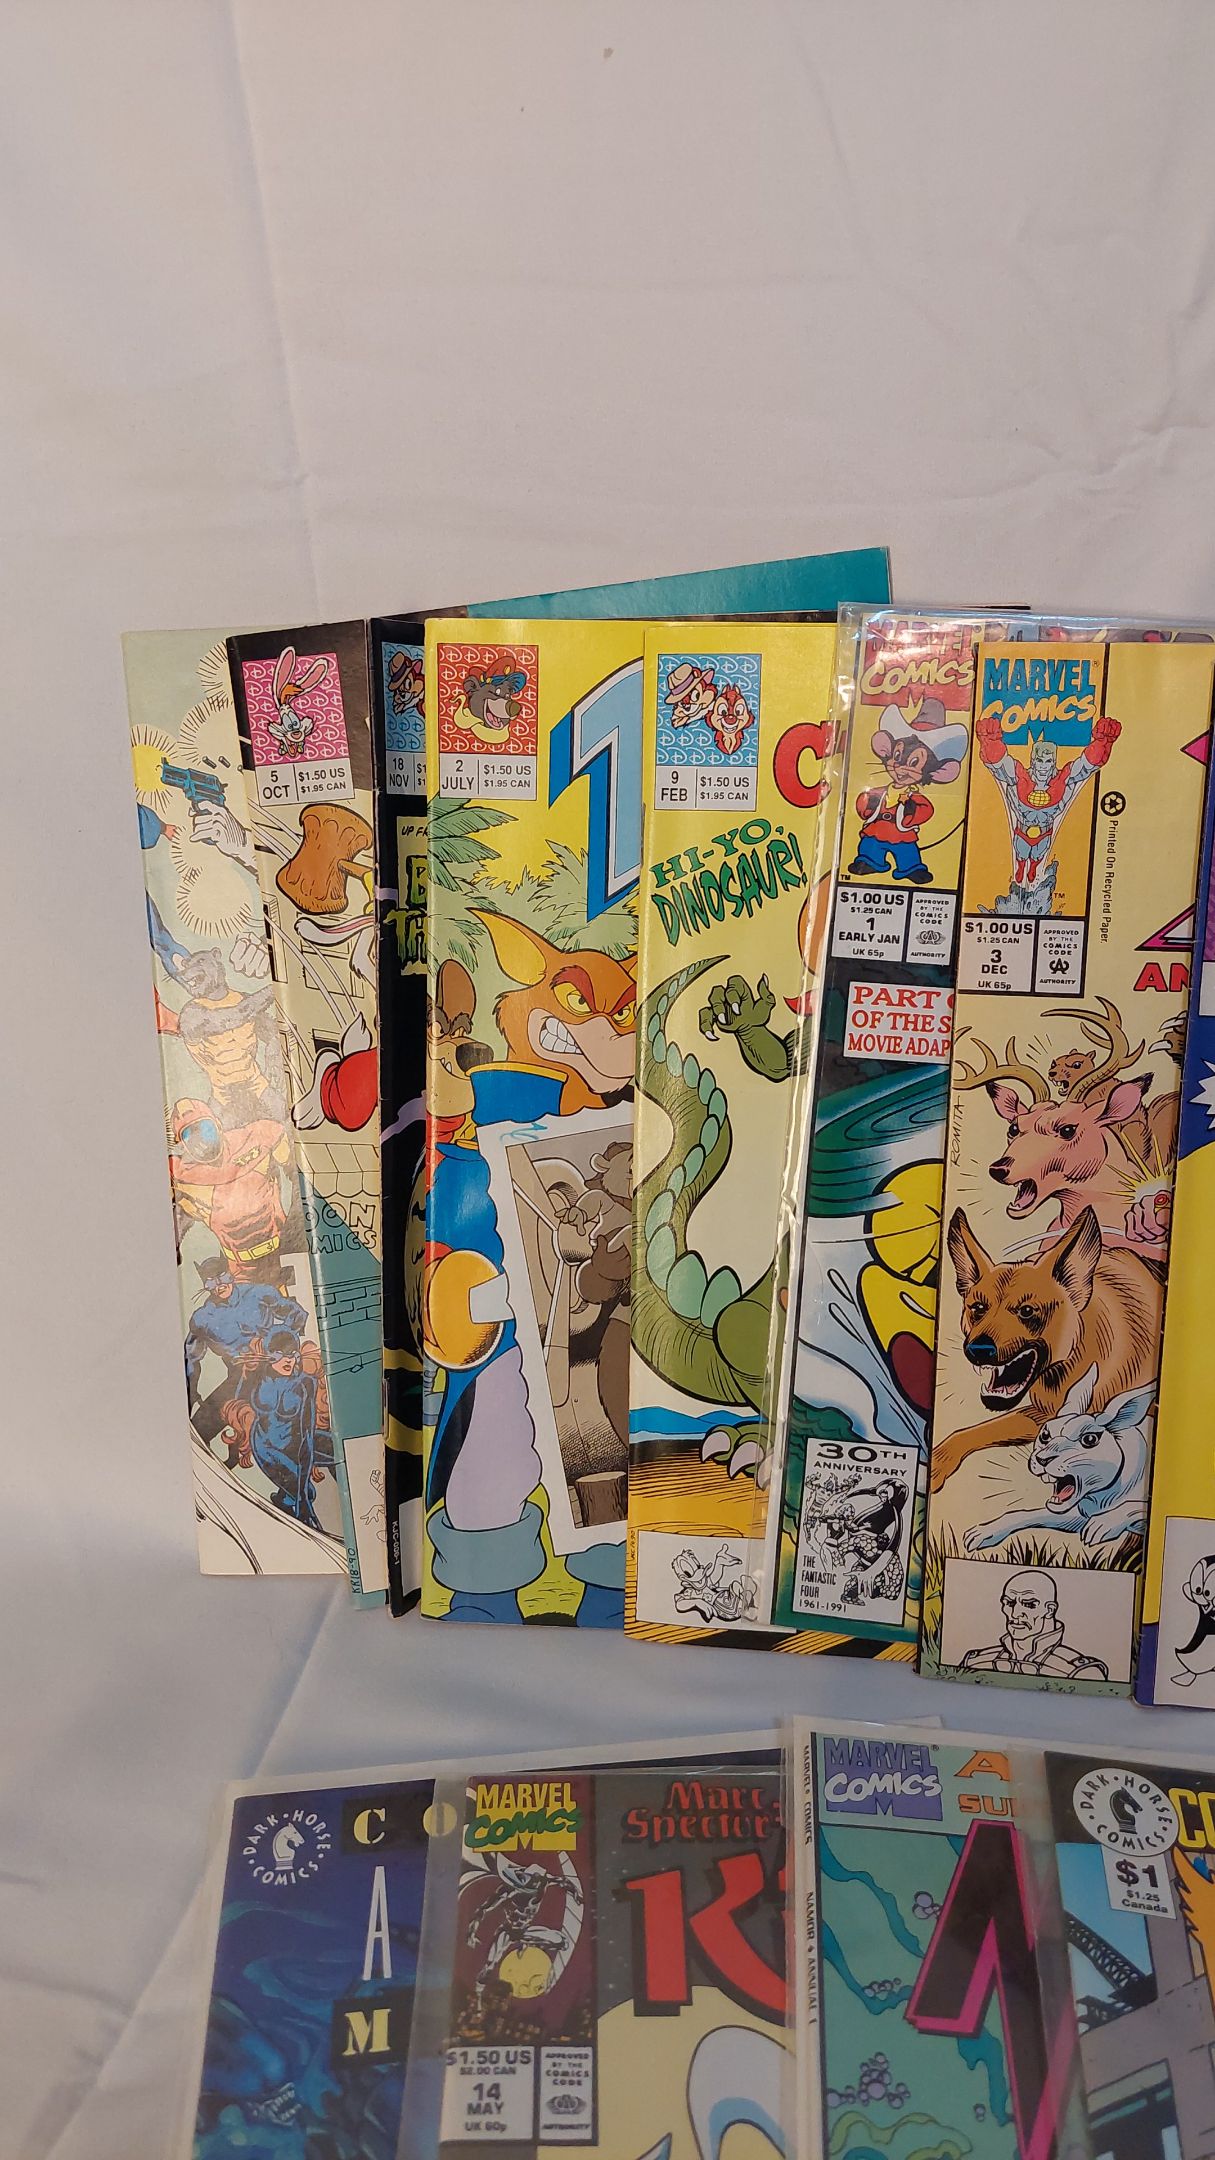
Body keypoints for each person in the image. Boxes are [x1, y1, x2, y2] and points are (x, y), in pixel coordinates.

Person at [959, 1568, 1108, 1679]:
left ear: (1049, 1610)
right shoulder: (975, 1662)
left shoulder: (1081, 1672)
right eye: (1009, 1603)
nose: (1015, 1613)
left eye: (1029, 1604)